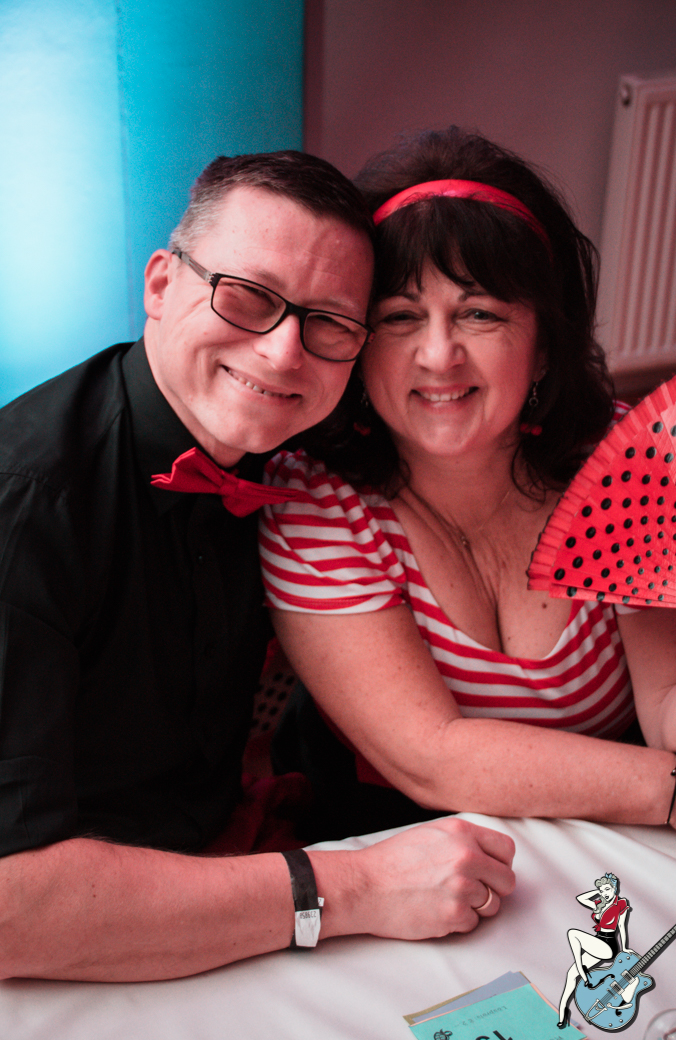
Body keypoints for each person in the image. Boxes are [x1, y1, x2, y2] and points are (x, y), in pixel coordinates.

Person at [0, 150, 515, 982]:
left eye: (330, 323)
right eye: (246, 296)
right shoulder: (26, 506)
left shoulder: (295, 449)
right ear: (161, 284)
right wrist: (352, 886)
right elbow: (11, 908)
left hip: (231, 877)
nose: (282, 353)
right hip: (69, 955)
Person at [260, 127, 676, 847]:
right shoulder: (314, 500)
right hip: (391, 843)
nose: (439, 355)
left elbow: (669, 720)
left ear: (544, 345)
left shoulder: (625, 461)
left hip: (604, 836)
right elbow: (431, 755)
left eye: (479, 313)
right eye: (400, 317)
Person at [557, 872, 629, 1027]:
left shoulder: (620, 904)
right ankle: (563, 1015)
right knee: (571, 974)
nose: (605, 893)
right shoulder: (600, 904)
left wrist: (624, 948)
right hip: (597, 943)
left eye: (608, 889)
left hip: (608, 945)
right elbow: (581, 898)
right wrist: (599, 891)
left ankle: (581, 969)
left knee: (573, 933)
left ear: (615, 888)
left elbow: (622, 927)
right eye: (602, 891)